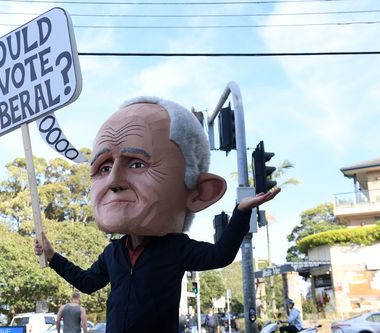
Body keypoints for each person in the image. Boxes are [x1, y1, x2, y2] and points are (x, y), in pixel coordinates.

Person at [35, 96, 280, 333]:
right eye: (105, 167)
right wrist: (52, 256)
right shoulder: (113, 253)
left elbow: (220, 255)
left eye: (137, 164)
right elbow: (87, 282)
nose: (114, 181)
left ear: (197, 192)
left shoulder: (176, 248)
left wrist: (240, 213)